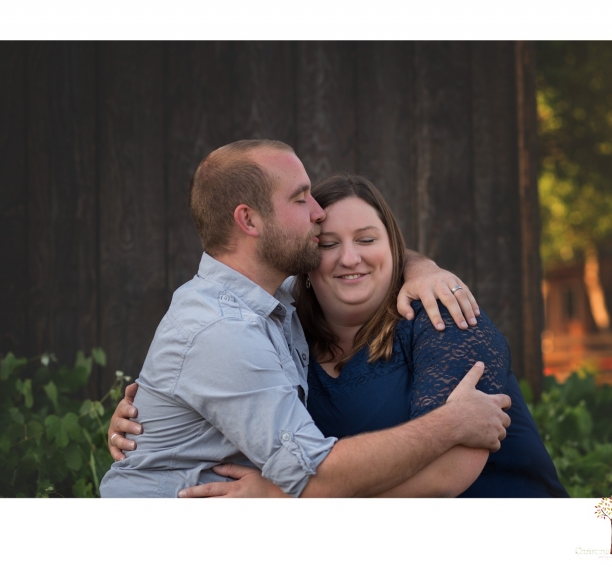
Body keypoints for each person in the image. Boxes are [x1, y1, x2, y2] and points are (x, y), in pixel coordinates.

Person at [100, 140, 511, 498]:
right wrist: (451, 423)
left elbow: (358, 260)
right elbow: (314, 476)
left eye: (366, 239)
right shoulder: (223, 330)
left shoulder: (269, 299)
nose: (317, 212)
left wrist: (423, 268)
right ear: (249, 220)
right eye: (300, 199)